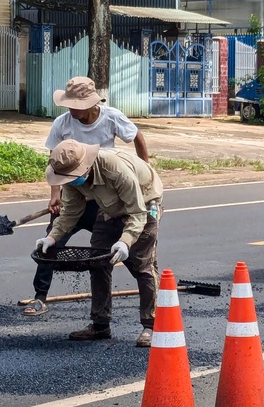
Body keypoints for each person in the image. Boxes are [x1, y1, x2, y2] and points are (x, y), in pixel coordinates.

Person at [24, 76, 149, 316]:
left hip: (106, 198)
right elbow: (55, 158)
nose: (71, 110)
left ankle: (148, 285)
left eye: (76, 106)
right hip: (74, 191)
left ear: (92, 104)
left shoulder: (111, 117)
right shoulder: (62, 123)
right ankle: (39, 297)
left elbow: (137, 137)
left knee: (124, 248)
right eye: (69, 105)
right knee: (51, 243)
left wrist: (144, 169)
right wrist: (55, 193)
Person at [35, 139, 163, 347]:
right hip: (110, 207)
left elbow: (137, 212)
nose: (70, 181)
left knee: (142, 265)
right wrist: (53, 237)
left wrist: (125, 242)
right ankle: (100, 324)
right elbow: (70, 213)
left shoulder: (115, 169)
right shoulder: (72, 179)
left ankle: (151, 324)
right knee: (98, 262)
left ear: (84, 167)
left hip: (145, 204)